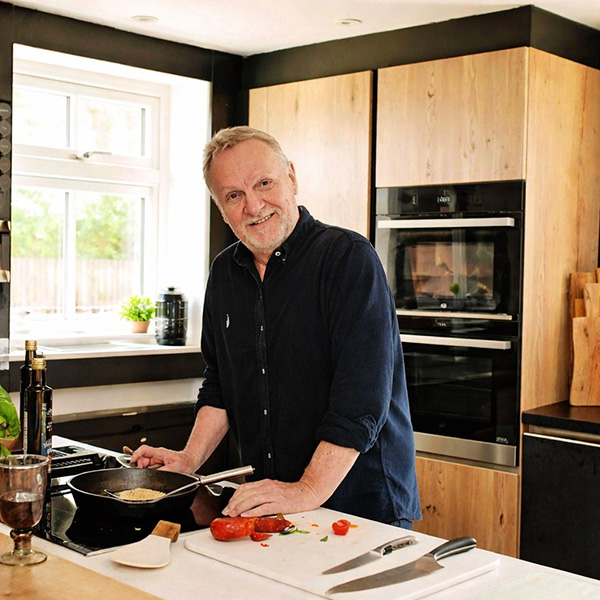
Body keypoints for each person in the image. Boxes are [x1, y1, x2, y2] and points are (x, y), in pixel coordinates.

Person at [131, 126, 421, 527]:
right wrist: (188, 460)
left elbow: (360, 403)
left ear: (292, 177)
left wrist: (305, 490)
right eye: (234, 195)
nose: (253, 206)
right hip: (271, 503)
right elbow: (221, 383)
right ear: (220, 207)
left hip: (361, 507)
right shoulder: (224, 273)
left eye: (264, 183)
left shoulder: (349, 260)